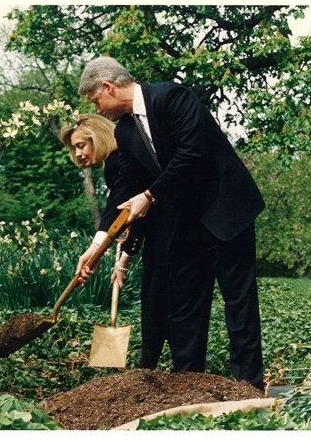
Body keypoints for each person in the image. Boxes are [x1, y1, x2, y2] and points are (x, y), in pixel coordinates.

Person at [76, 56, 266, 391]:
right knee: (186, 307)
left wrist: (149, 196)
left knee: (240, 302)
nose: (99, 109)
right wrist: (97, 245)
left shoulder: (173, 97)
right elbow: (124, 190)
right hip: (186, 223)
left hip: (226, 212)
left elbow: (192, 153)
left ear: (108, 87)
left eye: (96, 101)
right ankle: (187, 384)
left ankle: (248, 385)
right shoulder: (125, 131)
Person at [60, 113, 172, 368]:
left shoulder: (119, 159)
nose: (78, 154)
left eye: (81, 145)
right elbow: (132, 216)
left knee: (158, 301)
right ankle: (152, 367)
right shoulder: (118, 161)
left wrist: (96, 251)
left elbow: (119, 209)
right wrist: (123, 258)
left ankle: (152, 369)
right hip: (159, 238)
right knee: (155, 300)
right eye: (74, 148)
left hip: (168, 237)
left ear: (97, 137)